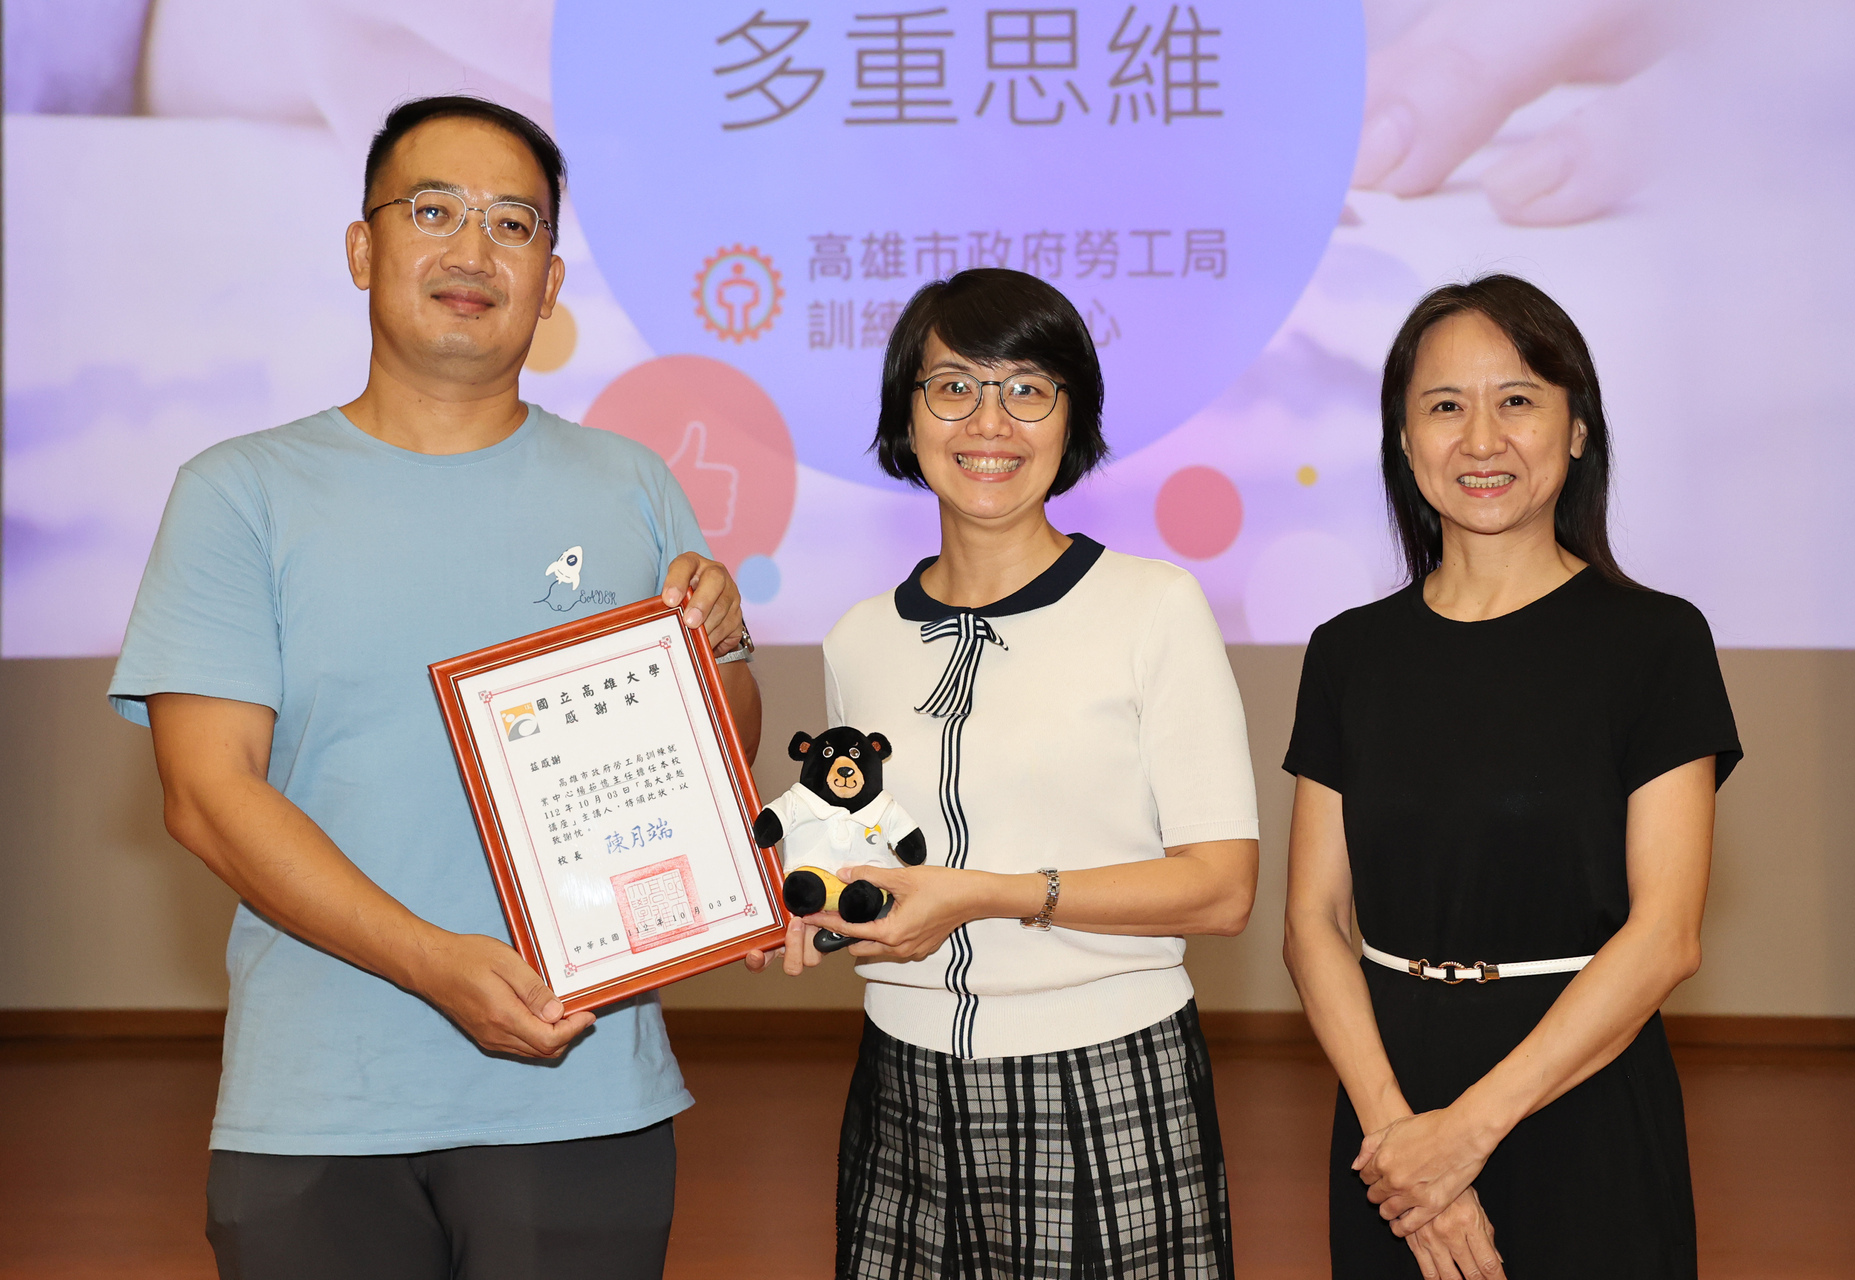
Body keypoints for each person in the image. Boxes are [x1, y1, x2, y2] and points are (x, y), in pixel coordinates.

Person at [107, 96, 758, 1279]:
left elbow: (719, 760)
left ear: (551, 281)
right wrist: (433, 960)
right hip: (319, 1105)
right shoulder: (239, 491)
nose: (472, 252)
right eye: (434, 211)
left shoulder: (629, 482)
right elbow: (207, 794)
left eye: (513, 225)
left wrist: (716, 649)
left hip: (582, 1090)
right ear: (364, 248)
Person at [744, 267, 1260, 1278]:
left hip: (1105, 1076)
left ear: (1074, 418)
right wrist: (803, 896)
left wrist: (992, 895)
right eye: (954, 386)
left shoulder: (1154, 607)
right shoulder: (859, 638)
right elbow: (876, 846)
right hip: (901, 1083)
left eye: (1028, 387)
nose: (991, 419)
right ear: (909, 412)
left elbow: (1222, 884)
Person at [1281, 274, 1741, 1279]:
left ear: (1577, 430)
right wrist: (1402, 1140)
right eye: (1444, 406)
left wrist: (1467, 1133)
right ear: (1403, 443)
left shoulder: (1656, 642)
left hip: (1582, 1092)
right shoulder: (1349, 651)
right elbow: (1313, 920)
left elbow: (1666, 935)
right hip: (1385, 1109)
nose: (1480, 439)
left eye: (1519, 400)